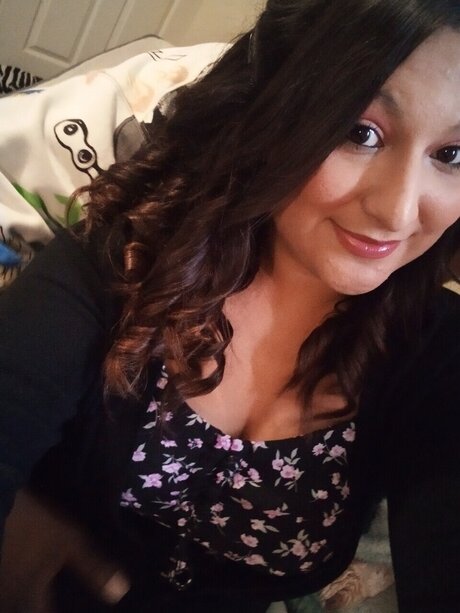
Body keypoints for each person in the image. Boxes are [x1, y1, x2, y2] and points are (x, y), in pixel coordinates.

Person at [0, 0, 460, 611]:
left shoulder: (435, 356)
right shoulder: (120, 269)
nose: (398, 212)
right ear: (278, 109)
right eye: (360, 132)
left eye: (451, 155)